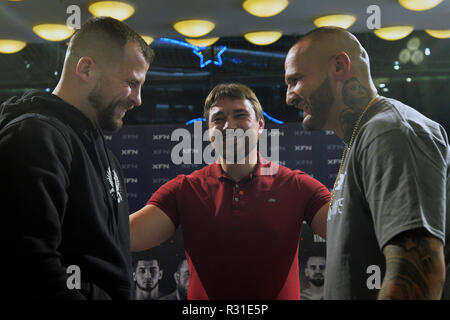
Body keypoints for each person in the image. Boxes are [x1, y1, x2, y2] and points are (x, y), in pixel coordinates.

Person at [285, 26, 449, 299]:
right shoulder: (365, 136)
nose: (289, 96)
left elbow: (419, 272)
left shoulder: (389, 132)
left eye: (296, 81)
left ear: (339, 66)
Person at [130, 83, 331, 299]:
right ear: (208, 131)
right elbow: (126, 236)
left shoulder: (296, 186)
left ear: (260, 125)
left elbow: (348, 231)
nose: (228, 126)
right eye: (218, 119)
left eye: (240, 115)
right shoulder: (184, 190)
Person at [0, 16, 153, 299]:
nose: (138, 99)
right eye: (131, 83)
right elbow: (28, 266)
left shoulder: (101, 153)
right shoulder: (34, 136)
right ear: (86, 69)